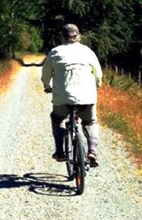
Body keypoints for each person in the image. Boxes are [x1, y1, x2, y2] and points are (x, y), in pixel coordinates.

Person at [41, 23, 103, 166]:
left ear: (62, 37)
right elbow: (98, 74)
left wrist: (47, 86)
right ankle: (92, 151)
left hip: (62, 98)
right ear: (78, 36)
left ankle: (60, 151)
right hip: (87, 97)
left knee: (57, 119)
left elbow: (46, 74)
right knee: (90, 121)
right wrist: (97, 85)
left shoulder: (55, 52)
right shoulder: (88, 52)